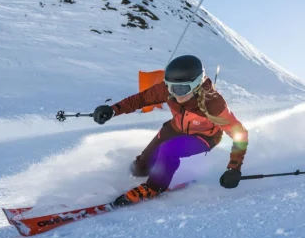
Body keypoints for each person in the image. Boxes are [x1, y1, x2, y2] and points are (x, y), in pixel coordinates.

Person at [92, 55, 248, 207]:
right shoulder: (168, 90)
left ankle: (154, 187)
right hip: (176, 128)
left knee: (169, 149)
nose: (174, 94)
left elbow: (239, 134)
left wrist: (233, 168)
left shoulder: (213, 103)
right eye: (170, 87)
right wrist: (113, 110)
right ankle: (142, 170)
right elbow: (140, 99)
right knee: (140, 169)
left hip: (204, 137)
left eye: (181, 89)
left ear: (196, 85)